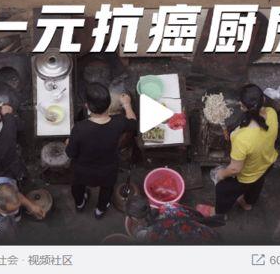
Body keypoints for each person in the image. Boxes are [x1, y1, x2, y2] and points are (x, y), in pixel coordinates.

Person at [65, 83, 137, 219]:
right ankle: (100, 210)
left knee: (77, 186)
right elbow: (133, 123)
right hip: (107, 171)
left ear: (87, 106)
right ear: (109, 104)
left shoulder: (79, 128)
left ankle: (80, 204)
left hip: (83, 171)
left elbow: (70, 153)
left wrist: (68, 142)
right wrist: (127, 104)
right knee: (107, 189)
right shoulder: (119, 122)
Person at [214, 84, 278, 217]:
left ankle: (218, 214)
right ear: (263, 100)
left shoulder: (242, 138)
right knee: (257, 185)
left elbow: (235, 169)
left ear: (243, 107)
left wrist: (222, 174)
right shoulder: (272, 113)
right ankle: (247, 203)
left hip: (247, 175)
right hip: (267, 164)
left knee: (222, 190)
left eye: (241, 103)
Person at [125, 195, 220, 244]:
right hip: (209, 234)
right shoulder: (169, 206)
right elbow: (194, 214)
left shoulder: (152, 236)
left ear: (135, 219)